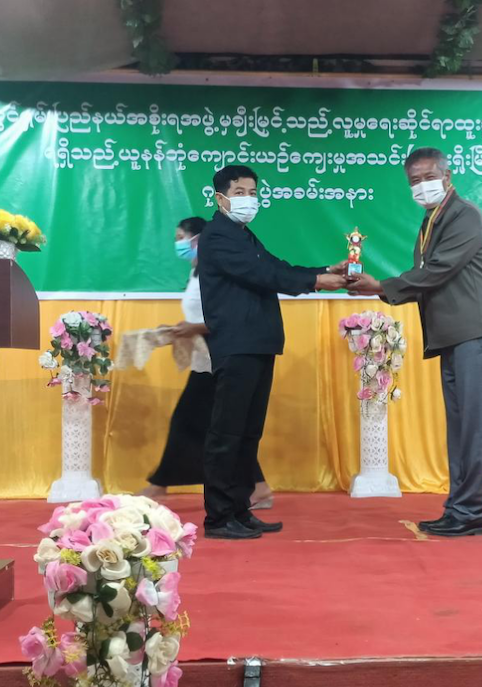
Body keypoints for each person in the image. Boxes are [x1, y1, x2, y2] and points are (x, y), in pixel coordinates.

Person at [349, 147, 482, 537]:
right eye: (414, 181)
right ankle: (460, 507)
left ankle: (471, 512)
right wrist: (381, 288)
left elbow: (438, 271)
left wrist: (381, 287)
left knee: (475, 427)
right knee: (461, 428)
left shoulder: (464, 216)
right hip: (455, 336)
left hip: (476, 332)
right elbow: (430, 275)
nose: (422, 186)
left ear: (447, 176)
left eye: (428, 177)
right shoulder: (433, 220)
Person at [199, 165, 348, 539]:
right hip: (236, 344)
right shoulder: (216, 236)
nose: (248, 199)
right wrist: (316, 281)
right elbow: (263, 275)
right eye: (240, 192)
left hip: (257, 342)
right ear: (220, 198)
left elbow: (275, 266)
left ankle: (239, 509)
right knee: (227, 433)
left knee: (248, 434)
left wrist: (324, 269)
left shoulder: (243, 234)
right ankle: (218, 517)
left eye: (252, 192)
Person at [139, 217, 274, 510]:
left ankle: (159, 485)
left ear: (197, 239)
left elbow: (228, 317)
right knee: (211, 424)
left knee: (195, 422)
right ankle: (258, 486)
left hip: (222, 358)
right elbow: (202, 316)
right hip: (204, 359)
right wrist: (179, 329)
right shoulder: (196, 272)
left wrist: (193, 328)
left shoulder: (216, 271)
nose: (177, 243)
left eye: (180, 237)